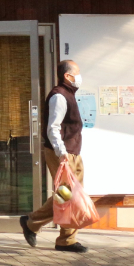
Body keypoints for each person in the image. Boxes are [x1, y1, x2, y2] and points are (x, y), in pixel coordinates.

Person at [20, 59, 88, 253]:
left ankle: (60, 237)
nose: (79, 77)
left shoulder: (69, 94)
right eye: (77, 73)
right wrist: (62, 152)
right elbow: (53, 128)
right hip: (63, 153)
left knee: (70, 195)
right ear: (67, 76)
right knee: (68, 194)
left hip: (73, 152)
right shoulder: (59, 96)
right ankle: (37, 225)